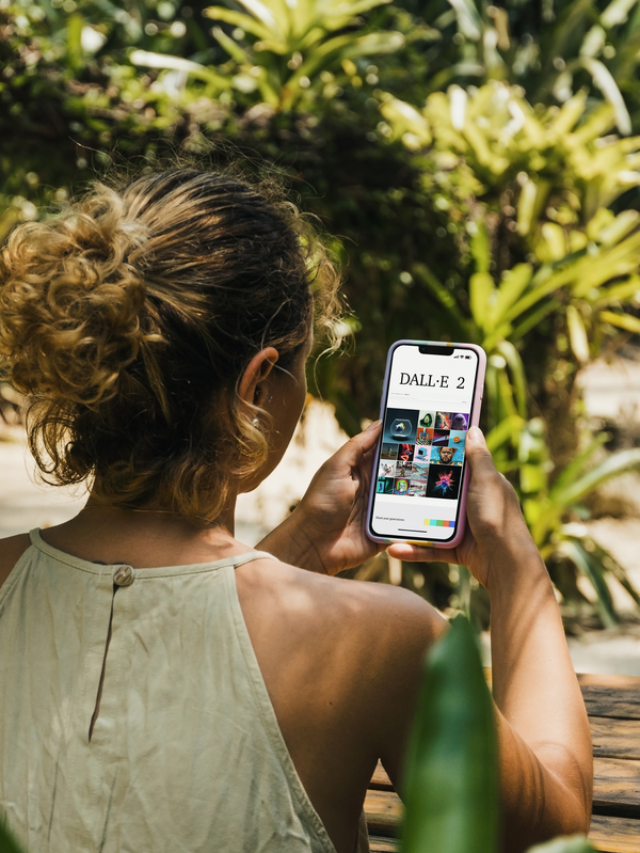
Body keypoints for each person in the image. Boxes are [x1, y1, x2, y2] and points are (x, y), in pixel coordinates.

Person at [0, 169, 592, 853]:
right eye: (303, 366)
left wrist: (303, 545)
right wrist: (519, 566)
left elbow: (164, 638)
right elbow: (558, 831)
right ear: (256, 384)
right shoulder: (379, 641)